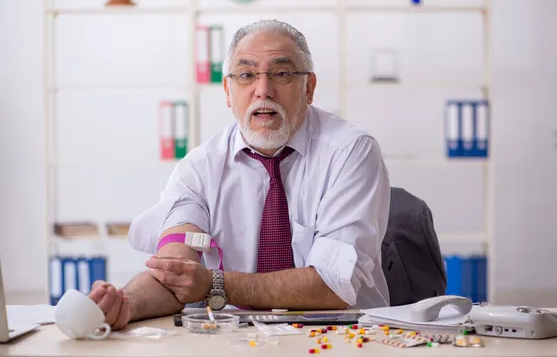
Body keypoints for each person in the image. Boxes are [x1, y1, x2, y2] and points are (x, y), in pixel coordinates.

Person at [87, 19, 391, 330]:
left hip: (342, 335)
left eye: (282, 73)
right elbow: (176, 271)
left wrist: (215, 284)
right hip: (238, 339)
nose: (263, 90)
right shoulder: (199, 168)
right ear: (228, 91)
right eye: (246, 75)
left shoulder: (350, 152)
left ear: (309, 87)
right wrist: (124, 303)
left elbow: (333, 285)